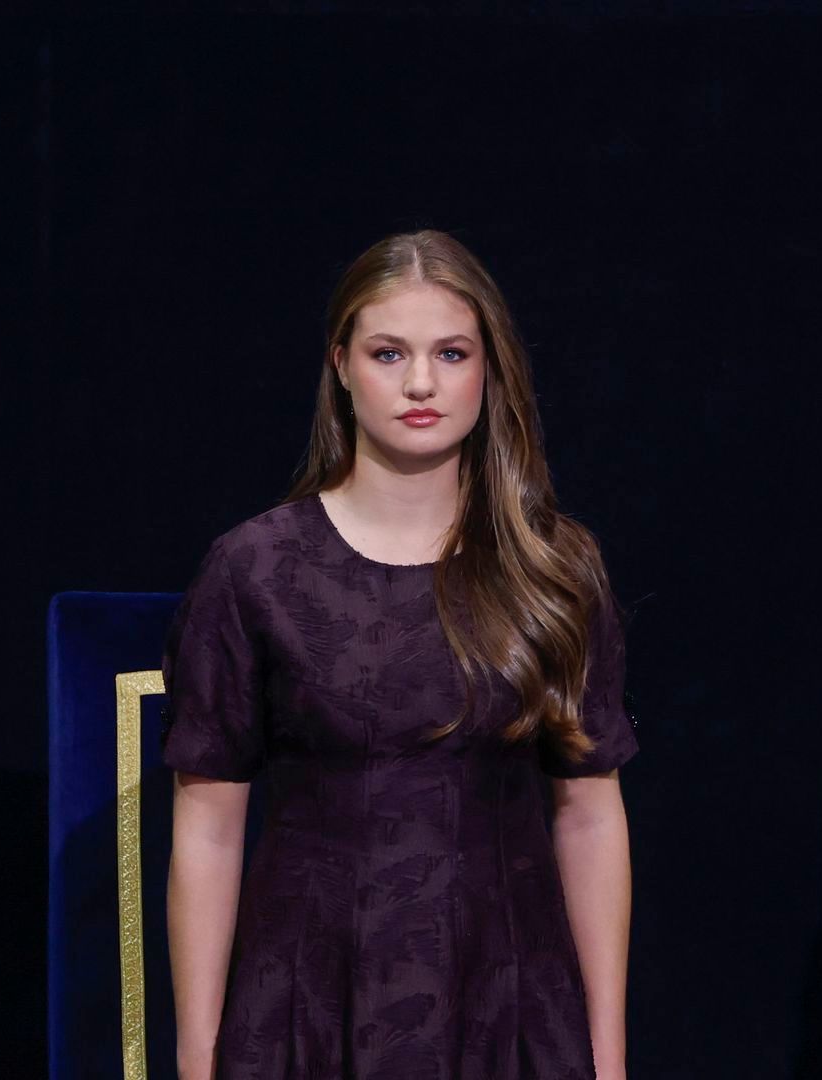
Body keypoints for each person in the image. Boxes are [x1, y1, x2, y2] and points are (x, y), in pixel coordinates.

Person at [164, 230, 635, 1080]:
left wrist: (606, 1058)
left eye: (451, 353)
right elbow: (208, 828)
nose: (421, 383)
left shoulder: (553, 567)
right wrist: (199, 1061)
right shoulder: (255, 569)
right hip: (306, 1005)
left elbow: (590, 815)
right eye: (390, 353)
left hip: (509, 1006)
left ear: (488, 371)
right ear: (341, 365)